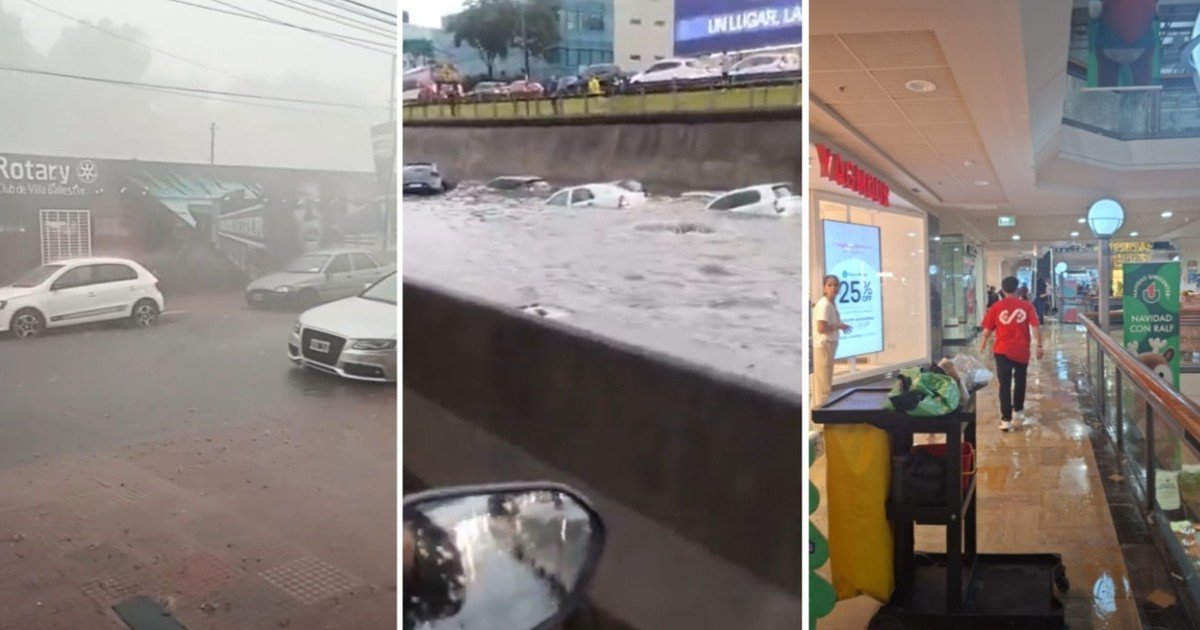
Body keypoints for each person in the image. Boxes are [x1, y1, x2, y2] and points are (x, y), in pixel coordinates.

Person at [980, 276, 1043, 432]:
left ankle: (1006, 420)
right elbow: (1035, 328)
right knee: (1020, 380)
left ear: (1002, 289)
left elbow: (987, 331)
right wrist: (1039, 346)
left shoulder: (995, 307)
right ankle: (1018, 410)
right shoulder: (1026, 306)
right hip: (1021, 350)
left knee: (1004, 384)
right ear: (1017, 289)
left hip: (1002, 351)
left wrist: (982, 345)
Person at [812, 275, 853, 408]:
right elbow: (821, 328)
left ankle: (818, 417)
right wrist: (839, 326)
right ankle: (820, 420)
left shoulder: (830, 304)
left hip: (829, 346)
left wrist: (839, 324)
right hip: (824, 346)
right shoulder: (824, 305)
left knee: (823, 383)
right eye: (830, 285)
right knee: (823, 386)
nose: (833, 288)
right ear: (824, 287)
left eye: (836, 285)